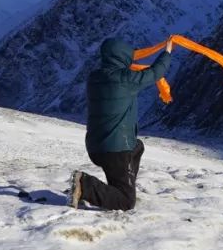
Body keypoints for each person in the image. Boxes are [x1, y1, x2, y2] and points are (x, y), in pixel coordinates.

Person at [67, 36, 172, 210]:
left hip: (96, 146)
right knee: (126, 201)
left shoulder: (94, 77)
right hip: (116, 150)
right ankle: (85, 185)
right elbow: (155, 73)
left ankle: (119, 183)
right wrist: (167, 53)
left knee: (137, 147)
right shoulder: (126, 79)